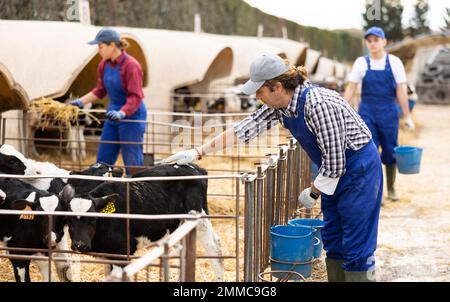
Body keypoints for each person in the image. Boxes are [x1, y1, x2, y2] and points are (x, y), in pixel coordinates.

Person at [163, 54, 383, 282]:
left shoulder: (318, 105)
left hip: (358, 171)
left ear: (277, 87)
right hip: (333, 170)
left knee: (357, 243)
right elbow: (244, 129)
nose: (257, 97)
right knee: (334, 238)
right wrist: (198, 151)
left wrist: (314, 191)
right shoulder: (283, 106)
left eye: (260, 91)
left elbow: (336, 161)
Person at [344, 27, 415, 201]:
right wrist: (341, 110)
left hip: (389, 112)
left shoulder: (394, 62)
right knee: (370, 152)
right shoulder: (361, 62)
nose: (373, 44)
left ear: (384, 42)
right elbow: (351, 87)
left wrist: (407, 116)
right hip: (367, 112)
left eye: (376, 40)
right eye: (369, 41)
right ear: (366, 43)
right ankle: (376, 192)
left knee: (390, 151)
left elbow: (401, 90)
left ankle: (391, 189)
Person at [70, 28, 147, 175]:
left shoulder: (131, 65)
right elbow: (100, 90)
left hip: (132, 116)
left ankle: (135, 192)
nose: (98, 51)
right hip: (113, 114)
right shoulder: (104, 65)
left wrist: (123, 113)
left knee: (132, 162)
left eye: (100, 47)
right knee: (103, 160)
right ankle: (100, 191)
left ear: (112, 46)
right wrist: (80, 102)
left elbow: (136, 96)